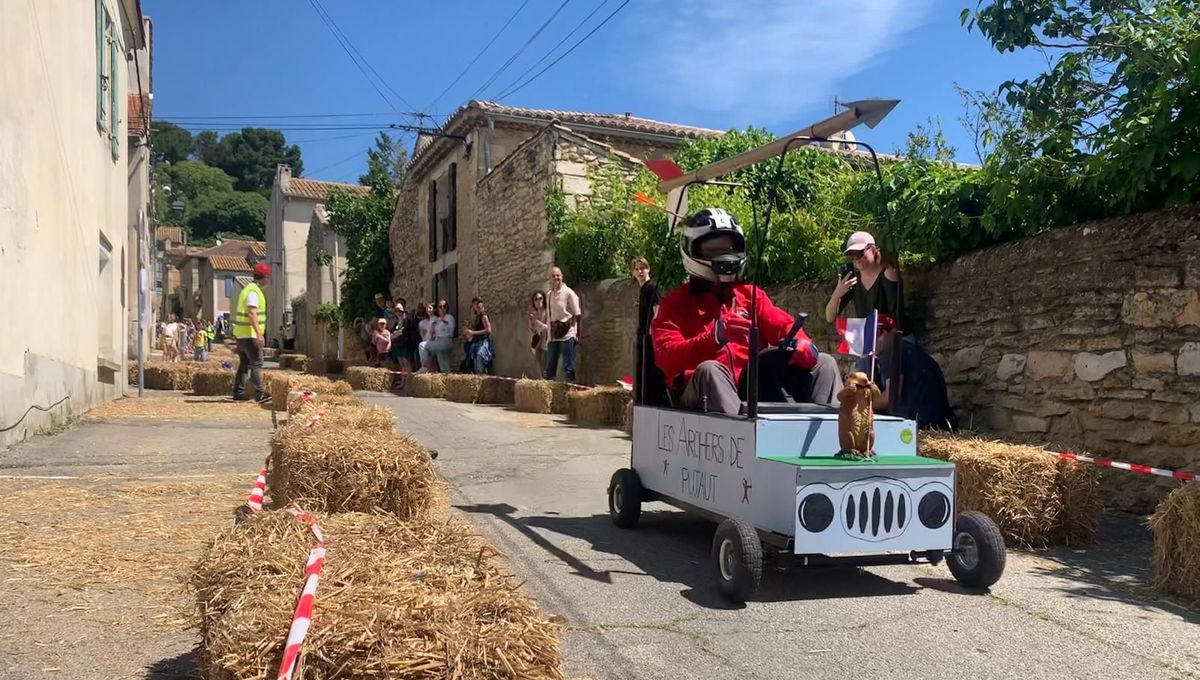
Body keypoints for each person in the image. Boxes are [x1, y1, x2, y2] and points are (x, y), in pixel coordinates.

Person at [651, 208, 839, 415]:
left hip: (749, 390)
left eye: (729, 248)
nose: (725, 255)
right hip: (697, 397)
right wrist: (714, 338)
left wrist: (802, 342)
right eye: (713, 249)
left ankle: (832, 437)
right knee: (710, 369)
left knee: (825, 363)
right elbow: (666, 357)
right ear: (691, 250)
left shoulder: (750, 295)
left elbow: (781, 324)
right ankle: (742, 440)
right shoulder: (675, 304)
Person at [855, 315, 958, 431]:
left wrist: (856, 401)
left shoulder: (892, 352)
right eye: (869, 335)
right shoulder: (909, 351)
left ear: (892, 332)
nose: (873, 339)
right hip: (936, 425)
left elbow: (889, 399)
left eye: (878, 333)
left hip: (916, 428)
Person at [824, 230, 901, 326]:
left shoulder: (888, 274)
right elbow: (829, 317)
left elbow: (896, 315)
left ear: (873, 250)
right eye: (851, 255)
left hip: (897, 335)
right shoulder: (853, 283)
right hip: (871, 337)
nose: (856, 258)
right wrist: (837, 294)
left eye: (859, 253)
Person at [232, 263, 272, 403]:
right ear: (264, 277)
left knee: (244, 364)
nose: (268, 280)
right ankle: (260, 394)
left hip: (241, 335)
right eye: (268, 277)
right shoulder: (254, 292)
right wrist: (259, 334)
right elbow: (252, 313)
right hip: (250, 335)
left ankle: (238, 392)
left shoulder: (246, 289)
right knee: (257, 363)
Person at [631, 257, 667, 405]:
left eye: (643, 268)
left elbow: (658, 311)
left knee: (651, 373)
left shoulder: (652, 287)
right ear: (632, 272)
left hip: (651, 338)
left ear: (648, 269)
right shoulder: (643, 289)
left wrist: (651, 335)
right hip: (644, 336)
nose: (640, 272)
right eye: (637, 269)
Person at [544, 266, 581, 381]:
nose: (556, 278)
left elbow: (577, 314)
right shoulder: (548, 295)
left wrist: (575, 334)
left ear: (562, 277)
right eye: (553, 276)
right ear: (550, 278)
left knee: (568, 367)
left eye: (558, 275)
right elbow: (549, 316)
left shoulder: (569, 293)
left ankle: (571, 392)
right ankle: (548, 395)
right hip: (554, 334)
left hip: (568, 333)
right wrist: (549, 336)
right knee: (550, 367)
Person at [418, 300, 454, 373]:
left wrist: (442, 322)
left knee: (422, 345)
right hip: (438, 342)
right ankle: (448, 380)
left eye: (444, 306)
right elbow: (433, 333)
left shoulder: (449, 317)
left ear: (447, 308)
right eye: (440, 307)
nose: (442, 308)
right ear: (438, 308)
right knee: (444, 367)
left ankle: (424, 366)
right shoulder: (437, 320)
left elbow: (450, 329)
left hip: (446, 340)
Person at [462, 297, 494, 374]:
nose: (477, 305)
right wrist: (470, 327)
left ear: (482, 304)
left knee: (480, 357)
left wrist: (473, 333)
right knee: (475, 363)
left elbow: (488, 330)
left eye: (478, 303)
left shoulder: (484, 316)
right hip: (477, 342)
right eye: (475, 304)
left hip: (483, 341)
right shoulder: (478, 317)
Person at [526, 291, 550, 378]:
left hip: (547, 341)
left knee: (546, 364)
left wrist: (541, 325)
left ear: (543, 299)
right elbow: (533, 330)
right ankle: (542, 382)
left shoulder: (548, 312)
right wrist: (531, 323)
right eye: (536, 299)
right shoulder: (534, 314)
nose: (538, 301)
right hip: (538, 342)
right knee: (538, 364)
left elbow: (551, 327)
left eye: (540, 298)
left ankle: (549, 382)